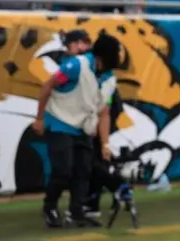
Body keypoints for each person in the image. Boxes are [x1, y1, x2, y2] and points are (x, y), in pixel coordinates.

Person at [32, 33, 122, 228]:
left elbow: (104, 112)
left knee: (83, 170)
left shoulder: (109, 80)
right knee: (63, 169)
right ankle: (50, 206)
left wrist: (105, 143)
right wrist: (39, 118)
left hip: (83, 127)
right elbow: (48, 85)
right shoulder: (75, 66)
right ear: (104, 55)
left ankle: (76, 211)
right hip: (60, 121)